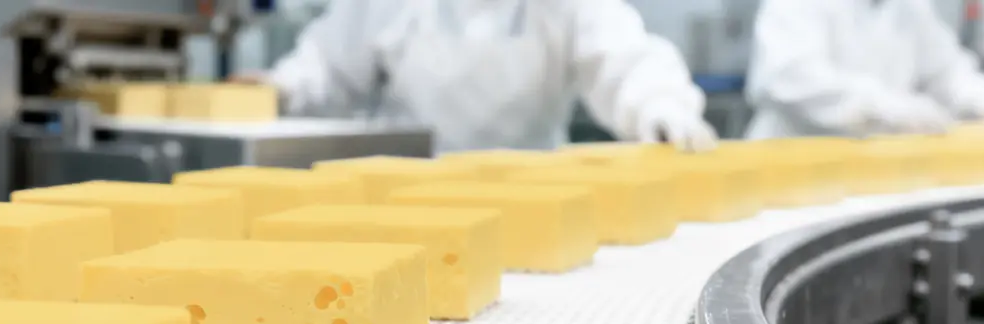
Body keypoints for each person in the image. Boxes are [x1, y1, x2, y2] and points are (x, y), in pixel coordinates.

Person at [235, 0, 718, 153]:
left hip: (534, 203)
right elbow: (329, 62)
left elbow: (624, 57)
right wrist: (282, 87)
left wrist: (661, 107)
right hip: (404, 196)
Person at [745, 0, 984, 140]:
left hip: (868, 169)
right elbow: (787, 77)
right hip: (790, 165)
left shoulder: (910, 6)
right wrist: (881, 107)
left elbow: (948, 72)